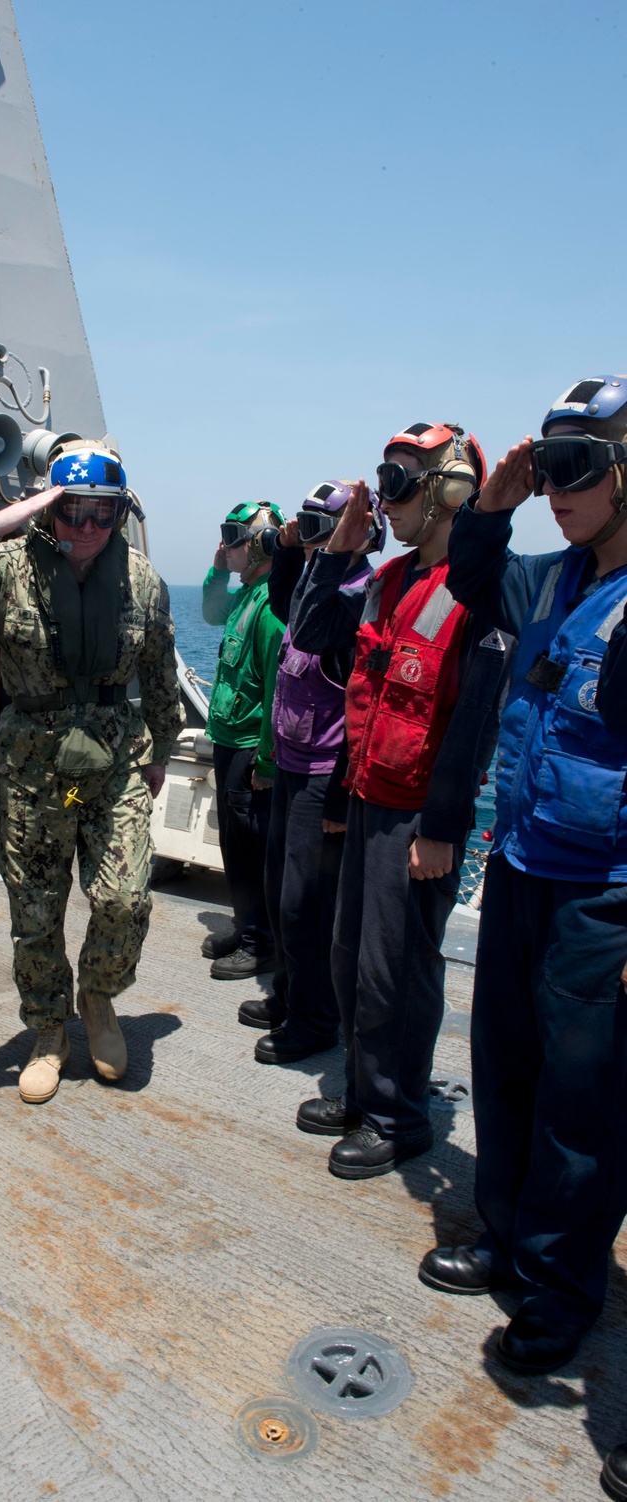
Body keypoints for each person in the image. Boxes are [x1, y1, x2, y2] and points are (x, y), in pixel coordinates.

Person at [418, 377, 627, 1378]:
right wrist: (493, 501)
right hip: (522, 865)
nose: (557, 492)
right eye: (550, 470)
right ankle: (502, 1237)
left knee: (581, 1105)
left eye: (575, 469)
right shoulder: (551, 579)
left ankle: (557, 1288)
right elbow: (470, 578)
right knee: (503, 1066)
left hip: (605, 896)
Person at [0, 443, 184, 1103]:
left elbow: (161, 674)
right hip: (34, 767)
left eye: (103, 513)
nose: (87, 527)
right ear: (49, 510)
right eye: (72, 512)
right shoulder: (6, 567)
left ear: (119, 515)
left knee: (123, 899)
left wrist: (161, 753)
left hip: (115, 759)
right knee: (35, 913)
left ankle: (98, 997)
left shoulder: (141, 579)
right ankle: (48, 1032)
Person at [291, 423, 511, 1178]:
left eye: (399, 482)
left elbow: (475, 722)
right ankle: (363, 1090)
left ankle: (398, 1116)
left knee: (397, 970)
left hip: (419, 815)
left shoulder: (484, 594)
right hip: (367, 798)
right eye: (384, 479)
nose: (384, 497)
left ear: (452, 491)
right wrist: (343, 549)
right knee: (352, 956)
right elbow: (312, 632)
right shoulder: (387, 580)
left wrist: (444, 830)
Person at [242, 481, 381, 1063]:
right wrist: (286, 549)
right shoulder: (313, 586)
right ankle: (291, 993)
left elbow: (363, 700)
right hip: (294, 767)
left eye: (322, 527)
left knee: (307, 906)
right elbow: (284, 608)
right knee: (280, 895)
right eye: (309, 525)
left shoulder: (358, 595)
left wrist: (338, 801)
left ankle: (316, 1018)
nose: (314, 539)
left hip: (325, 774)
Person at [201, 502, 286, 979]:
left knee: (251, 847)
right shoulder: (248, 595)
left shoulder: (272, 605)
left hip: (250, 746)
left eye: (233, 538)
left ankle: (260, 942)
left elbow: (278, 690)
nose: (225, 546)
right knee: (234, 843)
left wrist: (267, 760)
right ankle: (245, 923)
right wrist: (217, 572)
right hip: (227, 738)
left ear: (257, 542)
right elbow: (212, 615)